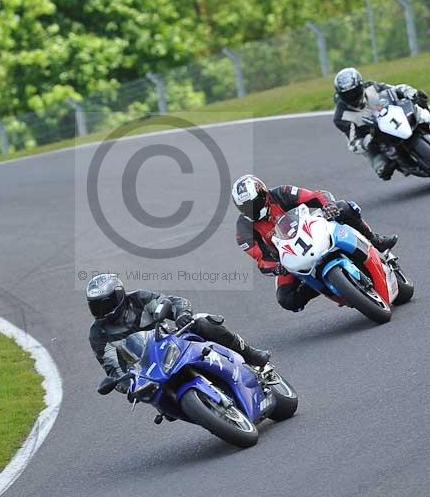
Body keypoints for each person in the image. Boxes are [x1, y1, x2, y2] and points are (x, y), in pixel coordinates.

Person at [232, 175, 398, 313]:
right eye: (245, 207)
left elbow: (315, 196)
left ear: (263, 195)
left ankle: (375, 240)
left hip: (311, 230)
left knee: (344, 207)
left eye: (253, 203)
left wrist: (328, 205)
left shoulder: (282, 193)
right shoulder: (243, 230)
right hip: (289, 258)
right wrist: (276, 267)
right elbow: (261, 259)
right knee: (286, 299)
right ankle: (329, 287)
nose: (251, 209)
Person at [87, 273, 270, 392]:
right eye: (95, 305)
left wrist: (182, 314)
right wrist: (127, 385)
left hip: (172, 343)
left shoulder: (138, 299)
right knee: (149, 396)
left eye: (105, 303)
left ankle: (250, 354)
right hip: (149, 372)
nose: (101, 310)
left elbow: (172, 302)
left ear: (118, 296)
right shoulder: (98, 334)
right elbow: (112, 367)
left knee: (201, 322)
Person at [333, 67, 430, 180]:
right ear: (340, 95)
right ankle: (399, 163)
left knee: (420, 100)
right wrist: (367, 140)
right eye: (347, 94)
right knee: (382, 169)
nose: (352, 96)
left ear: (361, 86)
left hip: (393, 117)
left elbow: (394, 89)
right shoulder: (341, 116)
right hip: (374, 137)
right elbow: (353, 142)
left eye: (354, 91)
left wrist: (409, 92)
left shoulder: (372, 86)